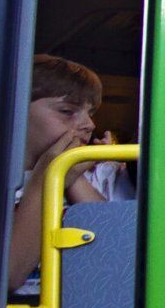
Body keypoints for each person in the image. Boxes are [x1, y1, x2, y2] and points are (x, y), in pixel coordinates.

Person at [8, 55, 108, 292]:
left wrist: (72, 176)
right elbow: (10, 276)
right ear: (17, 112)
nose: (89, 124)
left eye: (90, 112)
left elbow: (111, 255)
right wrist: (51, 176)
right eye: (67, 111)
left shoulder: (93, 175)